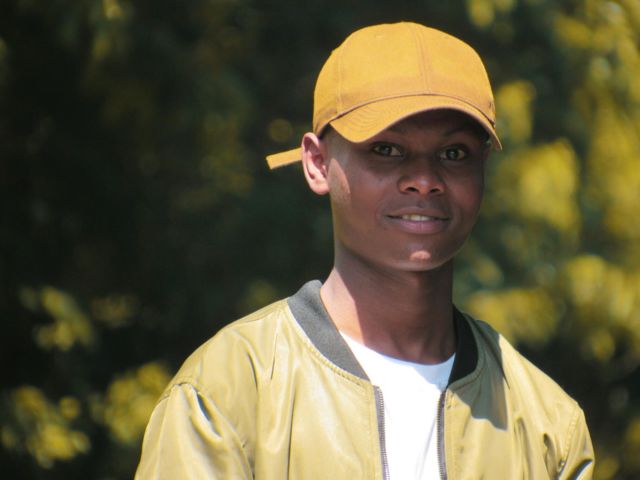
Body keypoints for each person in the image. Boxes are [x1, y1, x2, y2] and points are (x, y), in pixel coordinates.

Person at [135, 22, 594, 479]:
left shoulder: (548, 427)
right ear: (318, 163)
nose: (424, 179)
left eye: (454, 153)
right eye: (386, 149)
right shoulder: (227, 394)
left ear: (483, 167)